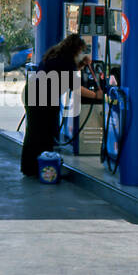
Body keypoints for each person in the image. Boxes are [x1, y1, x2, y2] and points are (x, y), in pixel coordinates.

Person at [20, 33, 87, 177]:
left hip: (31, 93)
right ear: (75, 49)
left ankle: (30, 168)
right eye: (80, 51)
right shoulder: (67, 61)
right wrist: (97, 95)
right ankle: (44, 170)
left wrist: (80, 65)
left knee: (33, 133)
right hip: (42, 100)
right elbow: (75, 87)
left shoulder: (54, 55)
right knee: (44, 135)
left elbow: (67, 74)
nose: (81, 54)